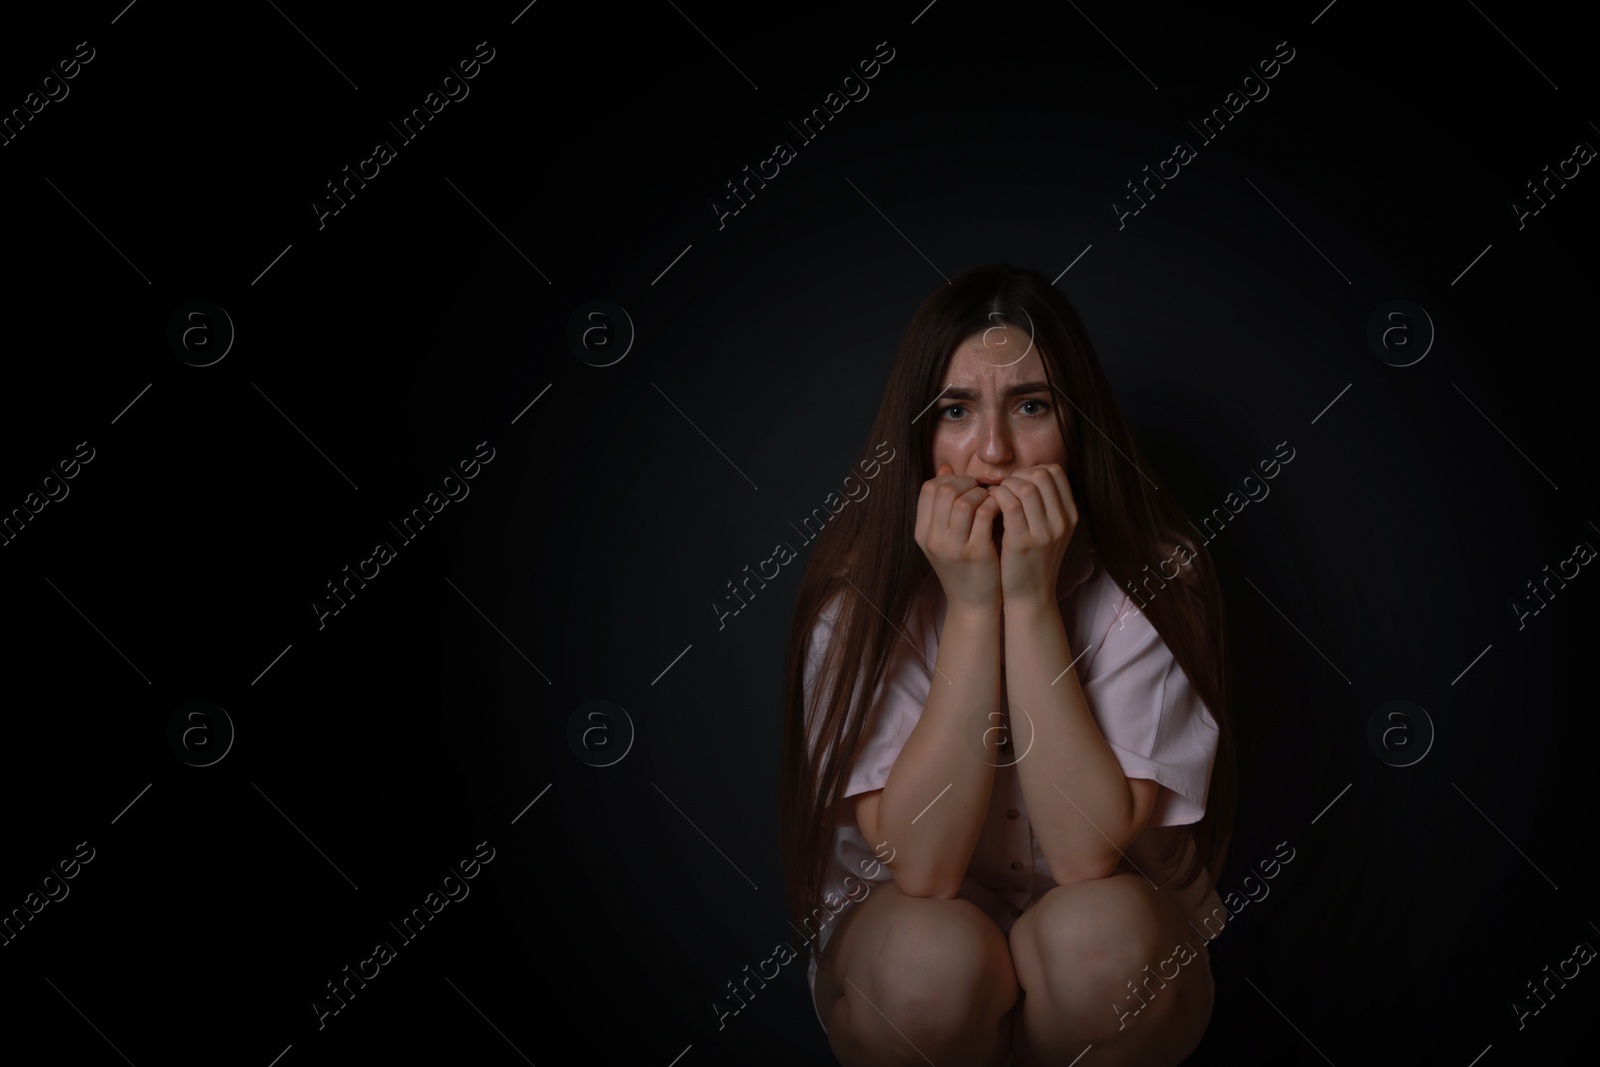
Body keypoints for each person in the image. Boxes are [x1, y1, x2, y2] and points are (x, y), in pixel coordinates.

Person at [777, 264, 1236, 1067]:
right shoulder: (855, 600)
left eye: (1030, 406)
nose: (992, 451)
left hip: (1112, 952)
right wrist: (973, 607)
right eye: (956, 411)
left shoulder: (1157, 577)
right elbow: (922, 868)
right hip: (909, 943)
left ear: (1076, 426)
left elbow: (1088, 851)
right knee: (930, 968)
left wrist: (1027, 601)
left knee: (1098, 947)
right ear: (918, 438)